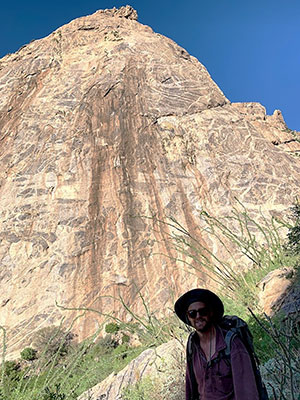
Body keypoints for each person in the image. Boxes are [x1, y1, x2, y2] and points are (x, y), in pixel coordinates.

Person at [174, 288, 259, 400]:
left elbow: (247, 390)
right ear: (188, 317)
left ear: (211, 312)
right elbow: (191, 387)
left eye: (203, 311)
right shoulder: (193, 346)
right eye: (192, 313)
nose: (198, 316)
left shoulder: (232, 343)